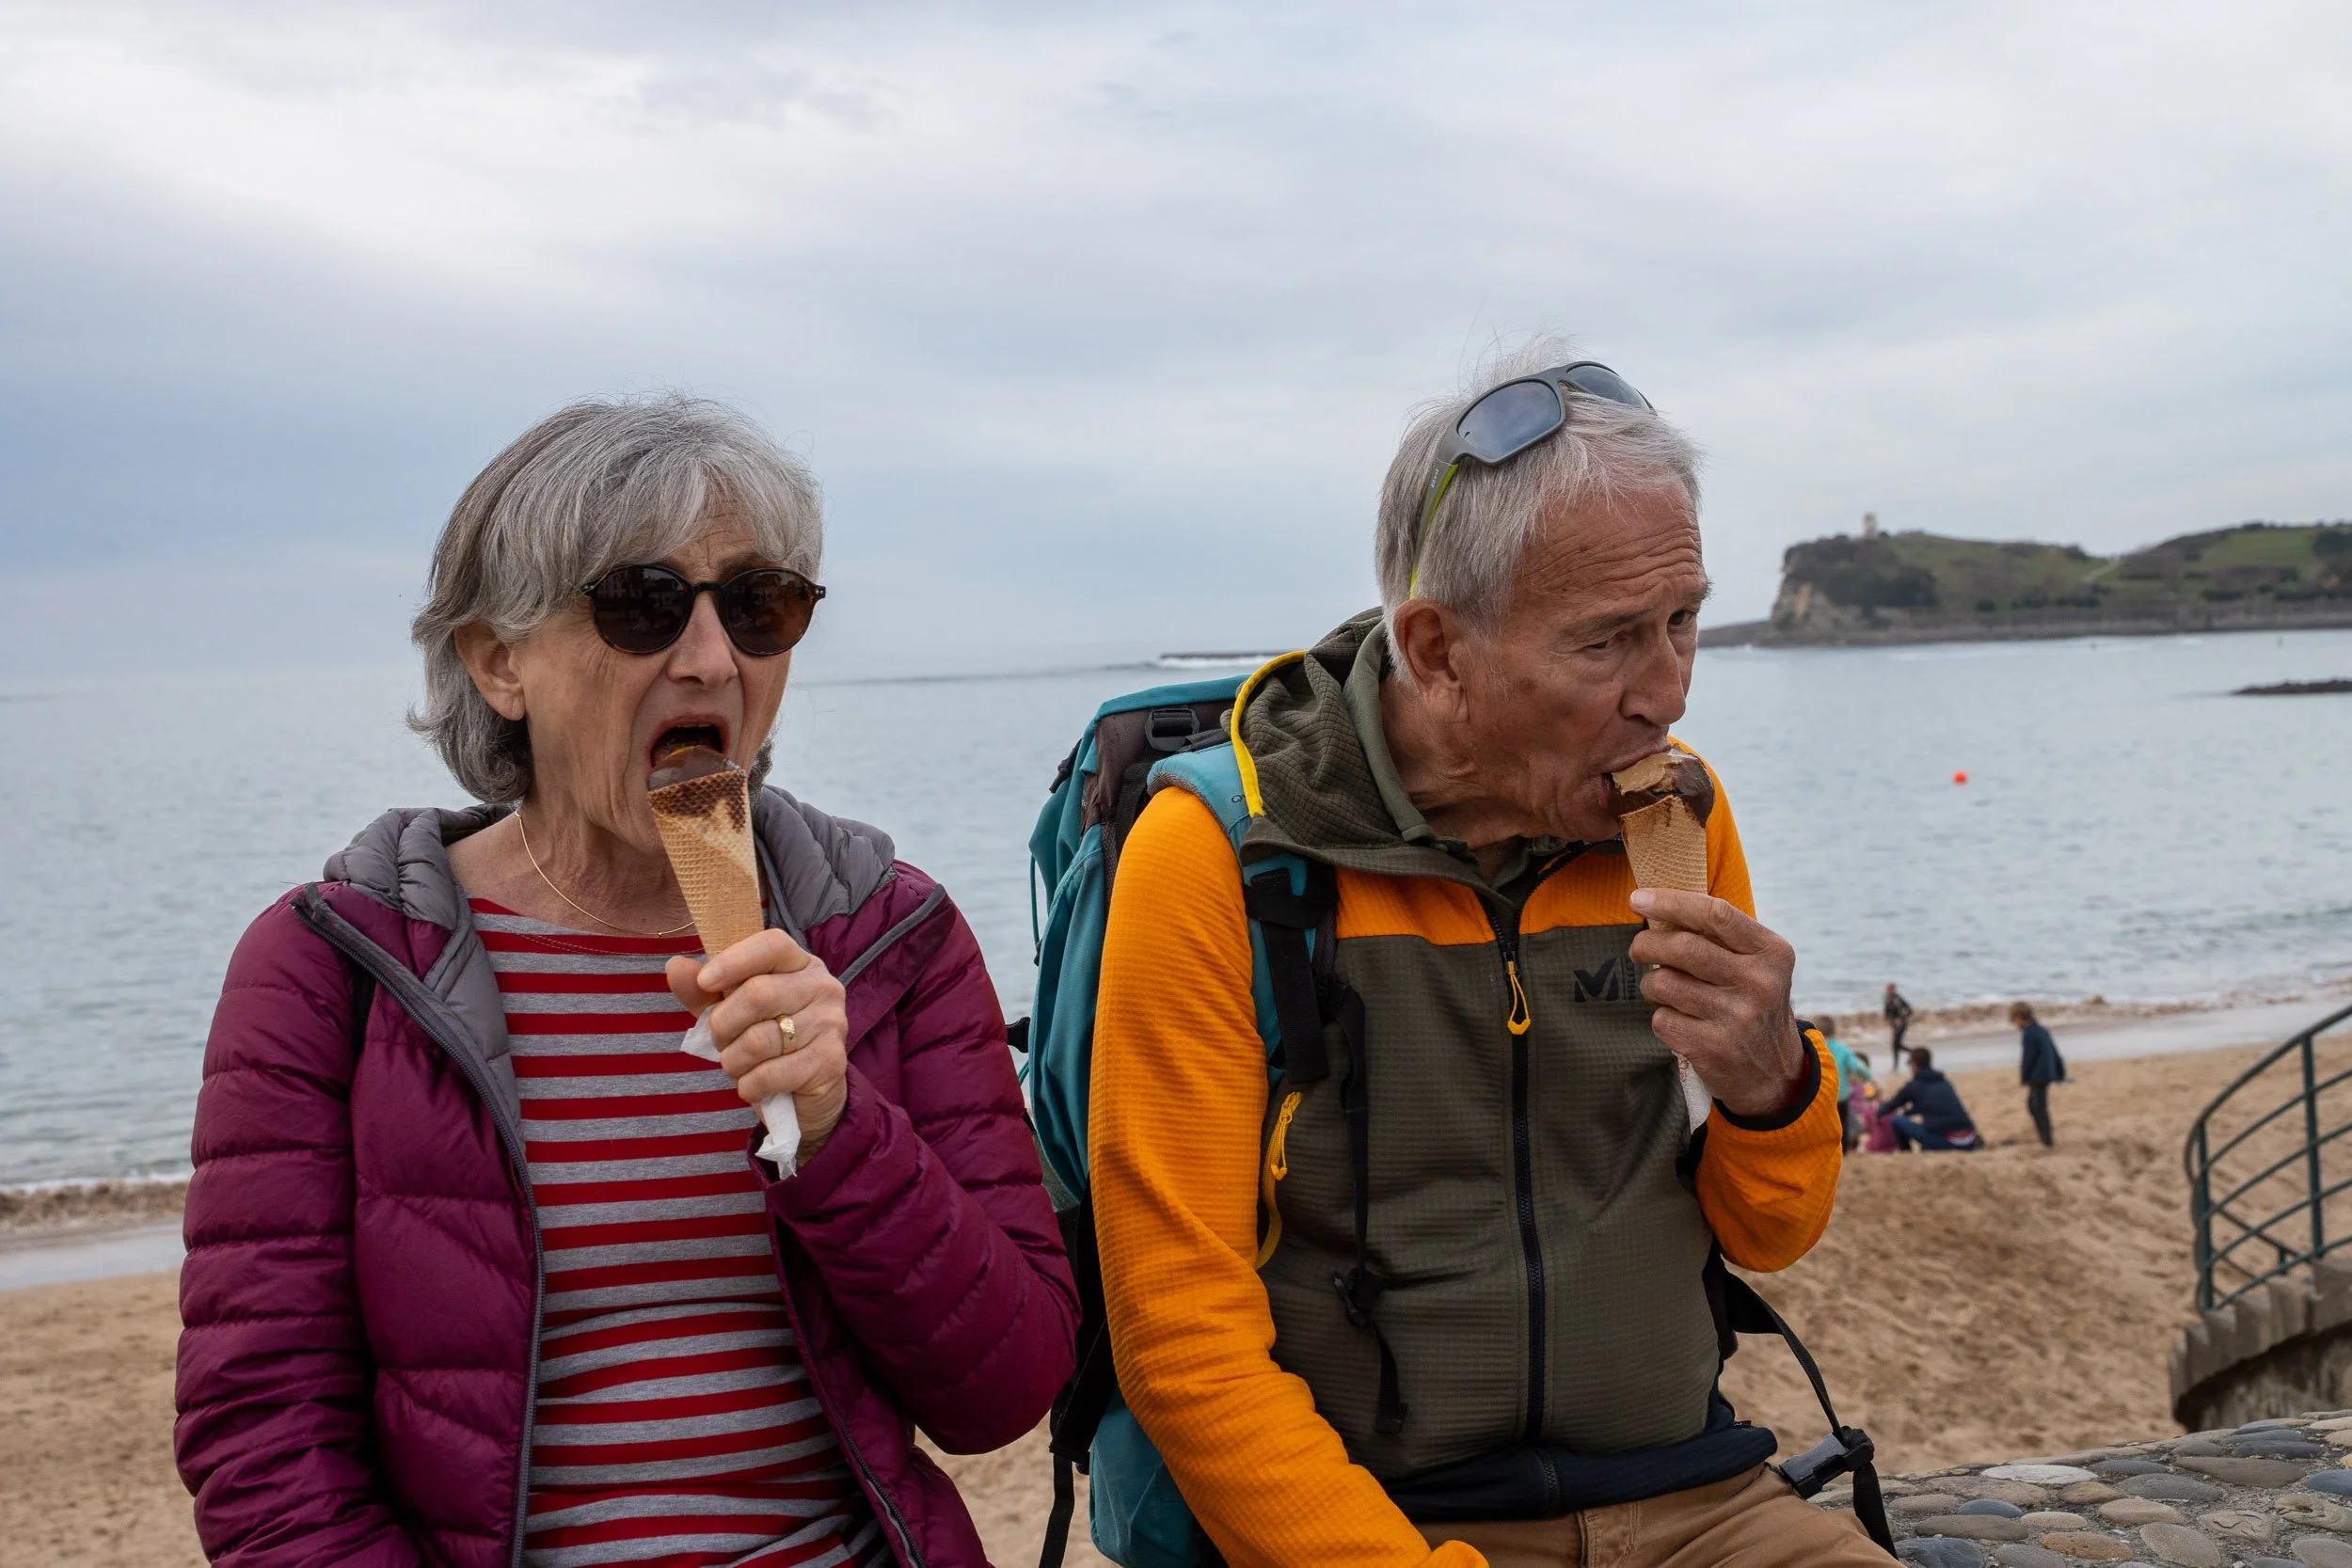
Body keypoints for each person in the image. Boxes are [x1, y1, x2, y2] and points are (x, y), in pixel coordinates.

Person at [173, 396, 1077, 1568]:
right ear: (499, 662)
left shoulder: (889, 934)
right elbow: (264, 1446)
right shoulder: (328, 968)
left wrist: (839, 1127)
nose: (711, 657)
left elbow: (1001, 1390)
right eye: (642, 604)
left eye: (759, 605)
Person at [1089, 348, 1888, 1566]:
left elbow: (1769, 1231)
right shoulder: (1216, 856)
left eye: (1683, 620)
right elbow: (1179, 1338)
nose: (1666, 691)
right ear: (1439, 648)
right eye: (1608, 641)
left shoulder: (1680, 821)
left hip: (1700, 1497)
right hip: (1373, 1521)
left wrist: (1777, 1084)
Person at [1880, 1047, 1981, 1152]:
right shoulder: (1944, 1082)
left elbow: (1891, 1105)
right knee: (1929, 1124)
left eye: (1909, 1064)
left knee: (1896, 1120)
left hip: (1948, 1142)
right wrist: (1908, 1112)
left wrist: (1877, 1114)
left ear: (1914, 1065)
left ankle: (1906, 1153)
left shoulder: (1914, 1086)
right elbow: (1929, 1106)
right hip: (1969, 1140)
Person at [2013, 1002, 2066, 1148]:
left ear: (2020, 1018)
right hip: (2048, 1073)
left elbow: (2028, 1058)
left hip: (2038, 1076)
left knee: (2037, 1107)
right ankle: (2045, 1137)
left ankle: (2046, 1140)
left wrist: (2024, 1077)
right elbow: (2054, 1052)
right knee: (2035, 1105)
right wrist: (2060, 1072)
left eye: (2014, 1021)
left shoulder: (2029, 1034)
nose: (2015, 1025)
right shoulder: (2042, 1030)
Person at [1824, 1029, 1875, 1153]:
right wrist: (1869, 1078)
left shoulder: (1814, 1046)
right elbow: (1856, 1066)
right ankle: (1844, 1150)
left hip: (1823, 1093)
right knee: (1843, 1123)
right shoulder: (1842, 1049)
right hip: (1841, 1095)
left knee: (1826, 1124)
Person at [1883, 981, 1915, 1053]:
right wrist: (1888, 1019)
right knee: (1895, 1045)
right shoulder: (1886, 998)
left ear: (1894, 989)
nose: (1888, 990)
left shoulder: (1898, 998)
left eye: (1890, 989)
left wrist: (1902, 1018)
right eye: (1887, 989)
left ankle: (1912, 1052)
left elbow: (1909, 1009)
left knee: (1896, 1044)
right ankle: (1896, 1062)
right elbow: (1887, 1011)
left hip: (1901, 1024)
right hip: (1893, 1024)